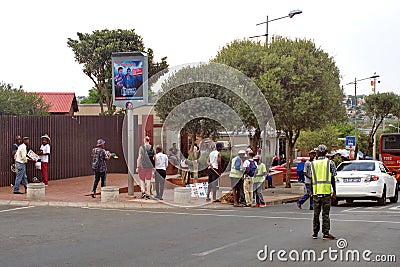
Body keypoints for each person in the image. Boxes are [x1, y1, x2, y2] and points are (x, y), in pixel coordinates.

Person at [311, 144, 337, 240]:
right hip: (326, 192)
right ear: (326, 152)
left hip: (316, 192)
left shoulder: (313, 164)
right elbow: (333, 178)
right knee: (325, 214)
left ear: (317, 152)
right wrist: (334, 191)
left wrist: (311, 191)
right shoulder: (330, 163)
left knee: (316, 213)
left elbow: (311, 178)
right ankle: (325, 233)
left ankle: (315, 233)